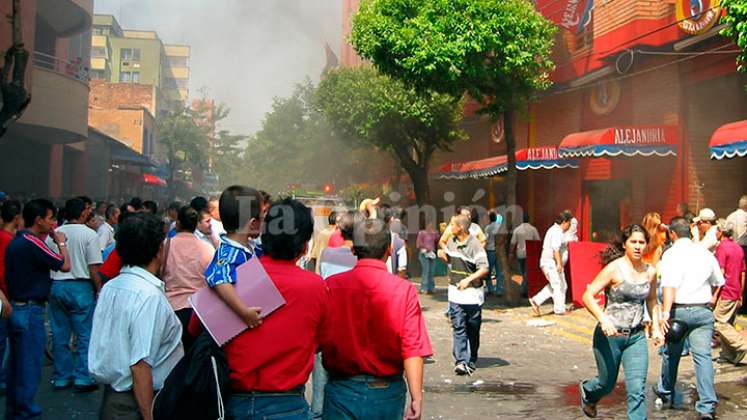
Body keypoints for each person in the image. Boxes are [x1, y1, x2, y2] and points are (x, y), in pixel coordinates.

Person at [193, 198, 327, 419]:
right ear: (304, 245)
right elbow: (323, 342)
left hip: (233, 404)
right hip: (289, 405)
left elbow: (196, 328)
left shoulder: (232, 278)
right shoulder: (316, 287)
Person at [321, 218, 432, 419]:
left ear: (353, 250)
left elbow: (316, 340)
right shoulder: (403, 290)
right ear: (389, 250)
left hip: (341, 389)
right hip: (386, 393)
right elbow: (412, 347)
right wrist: (417, 397)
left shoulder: (331, 286)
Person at [89, 213, 184, 420]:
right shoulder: (148, 296)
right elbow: (140, 365)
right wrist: (149, 415)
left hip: (115, 399)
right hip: (138, 403)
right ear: (159, 250)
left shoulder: (111, 287)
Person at [579, 225, 664, 419]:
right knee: (606, 384)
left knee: (637, 390)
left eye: (641, 242)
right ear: (625, 244)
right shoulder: (614, 269)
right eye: (633, 242)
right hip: (610, 336)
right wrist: (604, 320)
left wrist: (657, 328)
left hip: (636, 337)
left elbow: (651, 300)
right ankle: (589, 393)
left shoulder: (651, 272)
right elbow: (588, 296)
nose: (637, 246)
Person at [5, 199, 71, 419]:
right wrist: (61, 242)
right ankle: (25, 411)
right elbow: (64, 264)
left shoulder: (17, 241)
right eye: (51, 218)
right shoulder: (32, 243)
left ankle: (15, 408)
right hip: (31, 310)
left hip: (17, 307)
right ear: (39, 219)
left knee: (17, 363)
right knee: (29, 365)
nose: (53, 223)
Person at [654, 217, 724, 419]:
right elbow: (718, 280)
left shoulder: (670, 254)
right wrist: (711, 299)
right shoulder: (705, 253)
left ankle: (665, 389)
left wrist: (665, 314)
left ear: (672, 234)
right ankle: (707, 406)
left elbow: (669, 285)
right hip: (703, 312)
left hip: (679, 312)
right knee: (703, 358)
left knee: (671, 354)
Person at [45, 198, 102, 391]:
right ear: (83, 213)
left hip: (57, 285)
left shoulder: (54, 235)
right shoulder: (89, 235)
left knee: (60, 334)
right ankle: (82, 377)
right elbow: (94, 266)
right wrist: (99, 288)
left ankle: (62, 376)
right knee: (84, 334)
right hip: (81, 287)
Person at [311, 211, 357, 420]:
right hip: (352, 329)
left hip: (327, 324)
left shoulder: (329, 253)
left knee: (320, 392)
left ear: (340, 230)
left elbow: (322, 281)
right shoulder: (362, 258)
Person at [203, 186, 264, 330]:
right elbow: (219, 279)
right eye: (262, 218)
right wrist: (243, 312)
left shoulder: (251, 247)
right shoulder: (228, 252)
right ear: (253, 223)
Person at [438, 214, 489, 376]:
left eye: (452, 225)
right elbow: (452, 260)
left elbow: (484, 268)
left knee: (472, 328)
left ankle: (472, 357)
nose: (449, 228)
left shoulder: (475, 245)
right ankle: (461, 361)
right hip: (455, 293)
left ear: (460, 227)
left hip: (473, 295)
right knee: (458, 326)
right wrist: (443, 256)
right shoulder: (451, 241)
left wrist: (468, 280)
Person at [162, 206, 215, 350]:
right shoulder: (207, 248)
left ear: (177, 223)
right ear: (195, 224)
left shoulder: (165, 246)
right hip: (199, 312)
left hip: (171, 309)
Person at [712, 219, 746, 365]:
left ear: (721, 232)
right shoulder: (738, 248)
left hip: (726, 291)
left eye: (716, 231)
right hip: (736, 290)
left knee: (718, 322)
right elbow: (743, 273)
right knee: (728, 322)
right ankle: (728, 354)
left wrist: (714, 295)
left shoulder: (722, 248)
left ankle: (740, 345)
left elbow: (721, 273)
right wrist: (741, 294)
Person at [529, 211, 573, 316]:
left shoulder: (557, 231)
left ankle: (536, 300)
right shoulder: (557, 232)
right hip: (551, 263)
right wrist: (559, 263)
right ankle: (559, 309)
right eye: (569, 223)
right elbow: (555, 249)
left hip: (550, 262)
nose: (570, 226)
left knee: (558, 285)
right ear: (564, 222)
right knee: (558, 285)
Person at [0, 199, 22, 393]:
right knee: (3, 338)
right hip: (3, 297)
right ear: (16, 218)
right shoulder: (7, 240)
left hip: (5, 295)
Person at [510, 213, 540, 297]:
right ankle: (525, 290)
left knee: (523, 272)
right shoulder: (533, 229)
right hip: (530, 254)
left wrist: (511, 253)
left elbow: (512, 243)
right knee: (527, 273)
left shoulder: (517, 230)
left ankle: (524, 290)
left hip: (520, 254)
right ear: (529, 219)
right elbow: (537, 241)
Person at [416, 219, 440, 294]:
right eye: (430, 224)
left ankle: (431, 288)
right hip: (424, 254)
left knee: (431, 271)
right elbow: (418, 244)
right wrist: (427, 248)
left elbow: (439, 238)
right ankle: (424, 288)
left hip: (431, 254)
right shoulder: (422, 233)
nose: (431, 226)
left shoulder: (433, 233)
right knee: (426, 271)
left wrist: (441, 231)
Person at [483, 211, 503, 296]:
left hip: (490, 251)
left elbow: (486, 240)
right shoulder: (501, 227)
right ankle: (499, 290)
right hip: (499, 251)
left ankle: (490, 289)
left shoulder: (488, 228)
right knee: (499, 271)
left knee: (489, 270)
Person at [726, 195, 747, 266]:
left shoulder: (731, 215)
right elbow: (742, 233)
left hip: (730, 247)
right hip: (743, 248)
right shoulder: (744, 216)